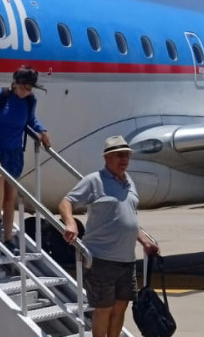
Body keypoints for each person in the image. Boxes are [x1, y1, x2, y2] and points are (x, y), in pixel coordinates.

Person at [58, 135, 159, 337]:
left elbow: (127, 217)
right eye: (119, 155)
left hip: (127, 259)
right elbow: (66, 201)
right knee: (103, 308)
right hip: (101, 258)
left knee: (120, 307)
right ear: (107, 158)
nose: (124, 160)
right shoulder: (94, 180)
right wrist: (70, 223)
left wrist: (144, 240)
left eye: (127, 156)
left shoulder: (129, 182)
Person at [0, 66, 51, 254]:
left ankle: (8, 239)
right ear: (15, 83)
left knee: (10, 197)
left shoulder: (30, 101)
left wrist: (42, 131)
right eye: (25, 87)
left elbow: (31, 120)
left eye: (31, 88)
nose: (27, 92)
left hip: (14, 152)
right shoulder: (1, 96)